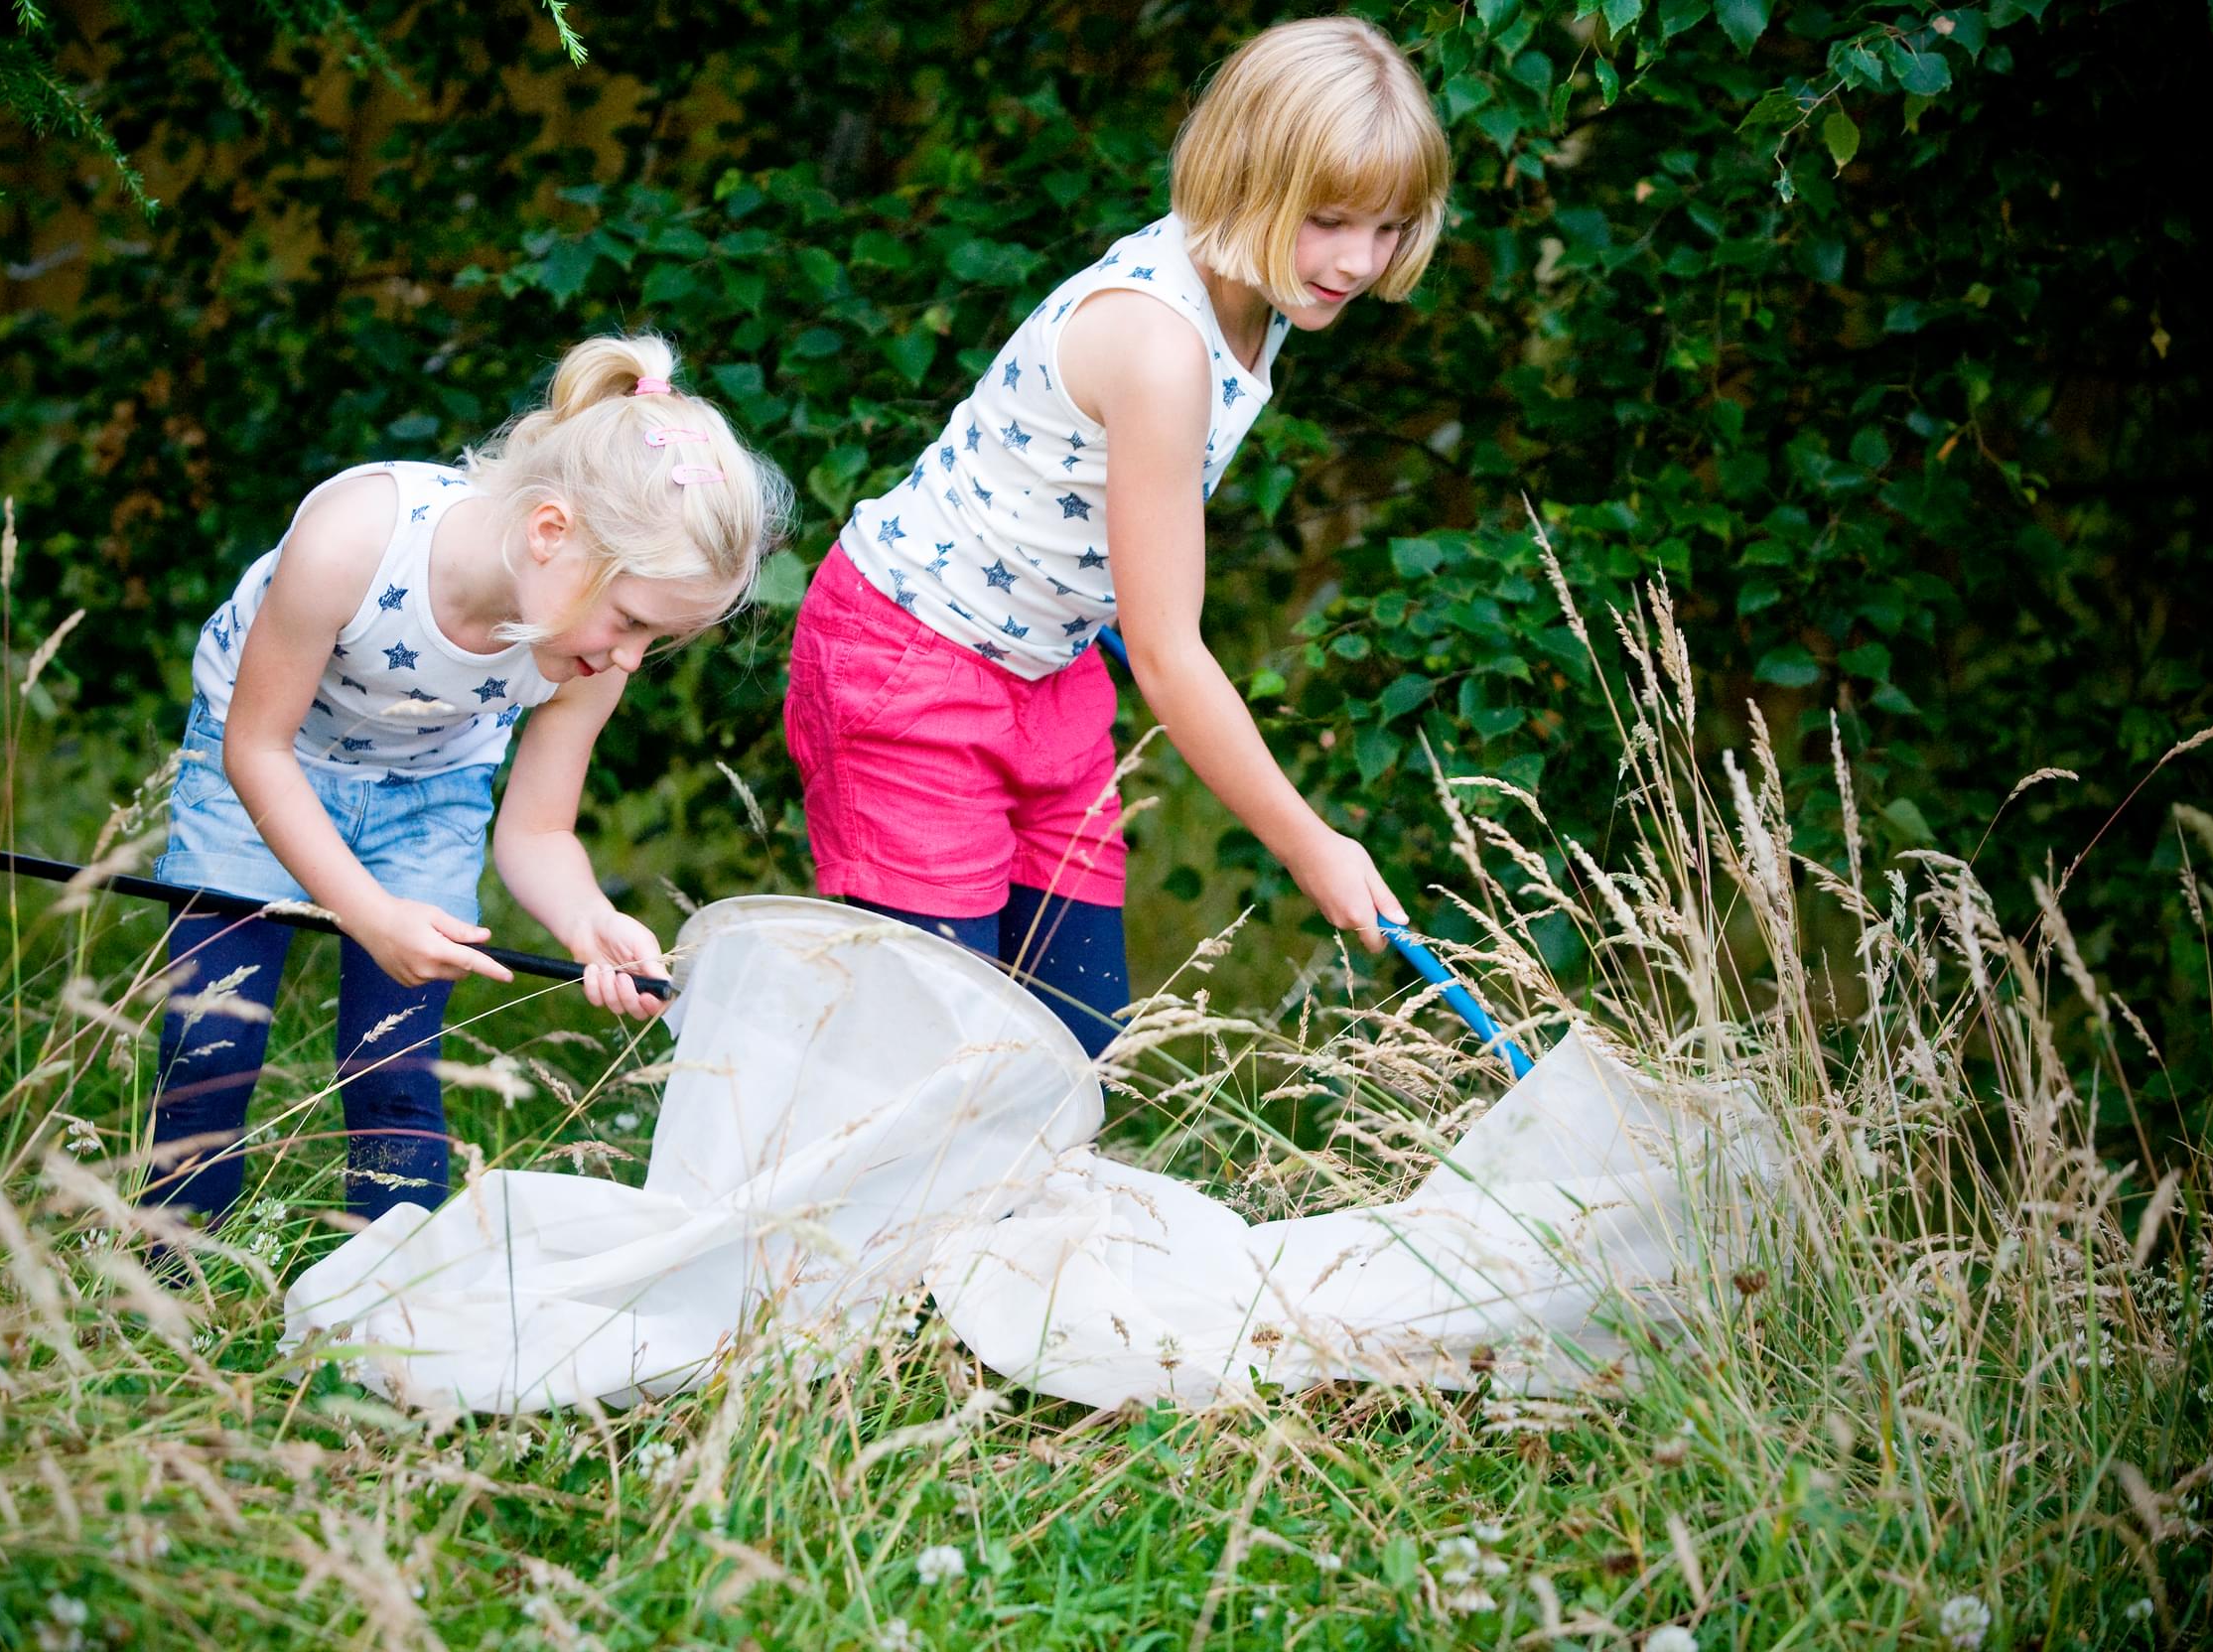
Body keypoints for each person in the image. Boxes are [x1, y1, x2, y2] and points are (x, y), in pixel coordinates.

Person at [783, 16, 1452, 1057]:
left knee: (1071, 1049)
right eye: (1329, 220)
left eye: (1389, 228)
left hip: (1044, 676)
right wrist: (1311, 844)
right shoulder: (1158, 345)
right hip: (910, 666)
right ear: (1245, 177)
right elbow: (1169, 653)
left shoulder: (1264, 291)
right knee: (926, 1062)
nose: (1358, 262)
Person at [144, 335, 792, 1227]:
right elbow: (257, 749)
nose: (631, 660)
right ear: (550, 532)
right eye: (633, 621)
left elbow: (535, 832)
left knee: (398, 1066)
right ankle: (164, 1275)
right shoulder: (355, 539)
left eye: (658, 640)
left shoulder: (588, 654)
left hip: (429, 790)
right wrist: (367, 914)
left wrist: (587, 922)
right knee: (211, 1039)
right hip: (261, 765)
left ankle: (394, 1296)